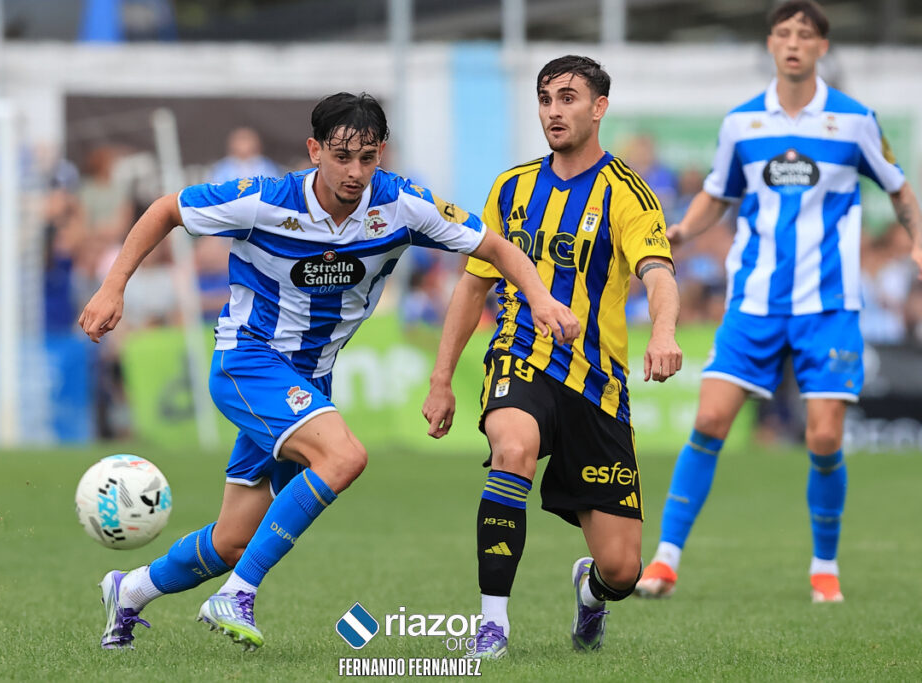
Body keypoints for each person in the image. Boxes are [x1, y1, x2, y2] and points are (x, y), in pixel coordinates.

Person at [78, 92, 580, 650]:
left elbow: (496, 248)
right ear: (315, 151)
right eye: (341, 157)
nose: (354, 172)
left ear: (381, 154)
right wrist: (113, 287)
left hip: (309, 380)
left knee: (233, 541)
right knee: (343, 457)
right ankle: (237, 595)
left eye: (367, 158)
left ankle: (130, 591)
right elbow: (167, 210)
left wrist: (540, 299)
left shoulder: (402, 204)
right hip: (249, 361)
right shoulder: (264, 199)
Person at [636, 0, 922, 604]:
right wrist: (683, 230)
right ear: (770, 43)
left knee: (824, 438)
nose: (793, 42)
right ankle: (665, 559)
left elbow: (899, 189)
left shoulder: (855, 121)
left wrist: (917, 241)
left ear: (822, 46)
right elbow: (718, 194)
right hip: (754, 302)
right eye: (784, 33)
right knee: (709, 421)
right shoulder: (742, 123)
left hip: (828, 307)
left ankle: (824, 566)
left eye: (805, 34)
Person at [422, 55, 683, 657]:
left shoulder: (629, 194)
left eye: (568, 98)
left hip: (598, 385)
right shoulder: (511, 187)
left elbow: (659, 274)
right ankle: (492, 625)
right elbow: (473, 286)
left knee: (622, 570)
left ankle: (590, 593)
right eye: (545, 99)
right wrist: (441, 379)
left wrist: (663, 333)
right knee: (513, 449)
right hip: (521, 354)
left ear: (599, 108)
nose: (553, 111)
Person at [209, 126, 282, 184]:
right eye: (239, 140)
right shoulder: (221, 168)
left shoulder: (268, 166)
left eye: (246, 139)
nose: (242, 144)